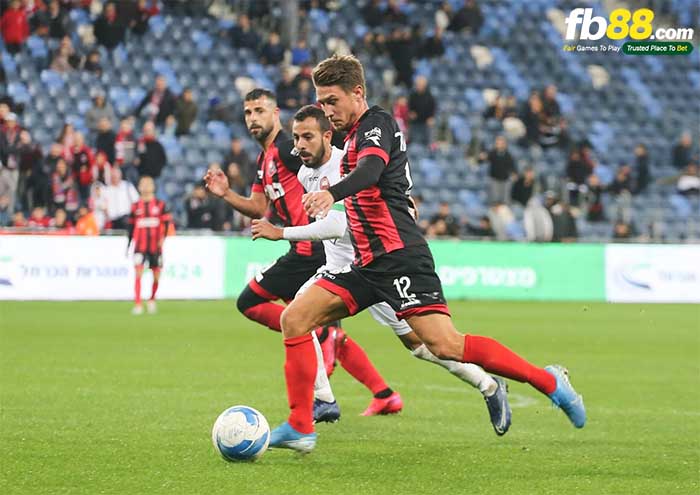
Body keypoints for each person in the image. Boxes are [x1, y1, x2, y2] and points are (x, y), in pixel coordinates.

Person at [268, 54, 585, 452]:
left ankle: (549, 381)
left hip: (399, 255)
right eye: (321, 101)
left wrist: (331, 194)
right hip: (363, 263)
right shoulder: (349, 136)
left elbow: (369, 173)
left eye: (332, 101)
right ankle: (301, 427)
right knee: (294, 319)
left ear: (358, 94)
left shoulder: (376, 125)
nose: (326, 110)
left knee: (445, 345)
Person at [250, 105, 510, 433]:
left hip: (374, 267)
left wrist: (282, 233)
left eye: (307, 137)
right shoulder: (305, 174)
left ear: (327, 136)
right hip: (342, 271)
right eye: (297, 138)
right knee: (298, 317)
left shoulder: (347, 165)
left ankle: (489, 385)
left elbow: (339, 225)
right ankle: (324, 399)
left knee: (424, 346)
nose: (299, 145)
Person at [203, 89, 399, 421]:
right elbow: (258, 208)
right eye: (248, 112)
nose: (253, 118)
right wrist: (226, 194)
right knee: (312, 322)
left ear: (275, 112)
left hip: (313, 250)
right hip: (306, 249)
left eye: (259, 111)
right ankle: (383, 393)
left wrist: (389, 198)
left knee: (251, 303)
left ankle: (323, 371)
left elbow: (334, 161)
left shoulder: (288, 148)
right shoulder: (266, 158)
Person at [127, 176, 171, 315]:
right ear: (139, 187)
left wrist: (162, 240)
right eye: (143, 184)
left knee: (156, 275)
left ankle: (151, 299)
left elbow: (166, 224)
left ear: (153, 187)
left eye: (148, 184)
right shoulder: (135, 206)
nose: (145, 186)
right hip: (140, 246)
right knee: (138, 273)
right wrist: (128, 245)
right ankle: (138, 304)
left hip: (155, 247)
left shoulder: (160, 205)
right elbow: (130, 227)